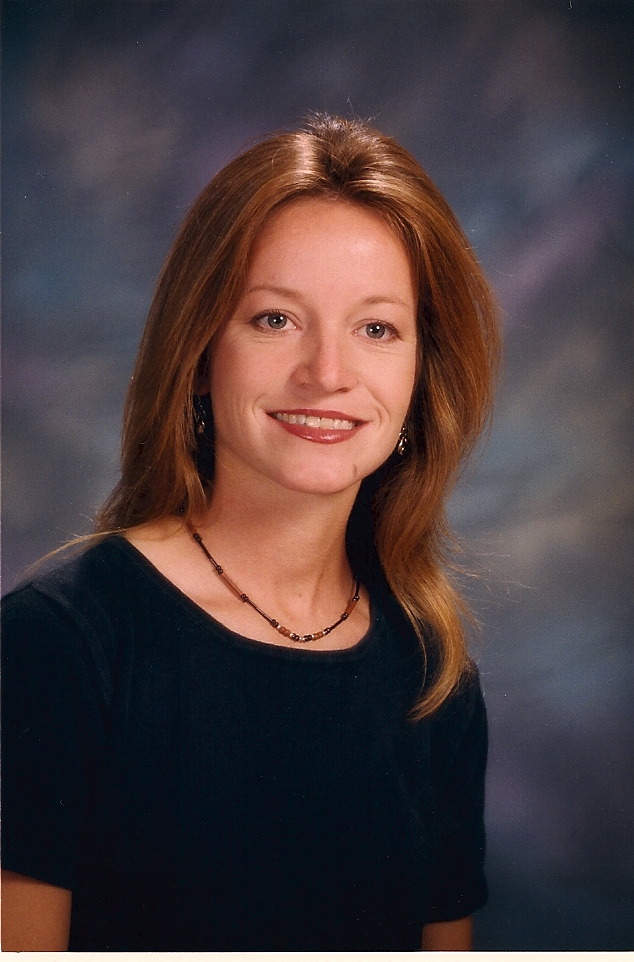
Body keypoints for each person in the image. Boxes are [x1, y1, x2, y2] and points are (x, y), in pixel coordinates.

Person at [1, 114, 500, 951]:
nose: (327, 375)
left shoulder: (433, 677)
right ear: (199, 353)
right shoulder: (57, 646)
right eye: (275, 320)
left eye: (376, 329)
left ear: (422, 374)